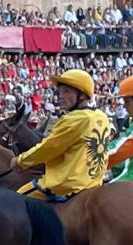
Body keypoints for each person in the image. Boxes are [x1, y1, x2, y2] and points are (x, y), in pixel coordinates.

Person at [10, 69, 113, 201]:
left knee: (15, 200)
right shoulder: (102, 116)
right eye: (60, 92)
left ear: (81, 95)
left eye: (67, 91)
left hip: (65, 187)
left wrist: (20, 161)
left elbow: (48, 148)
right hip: (94, 184)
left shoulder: (73, 119)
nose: (61, 96)